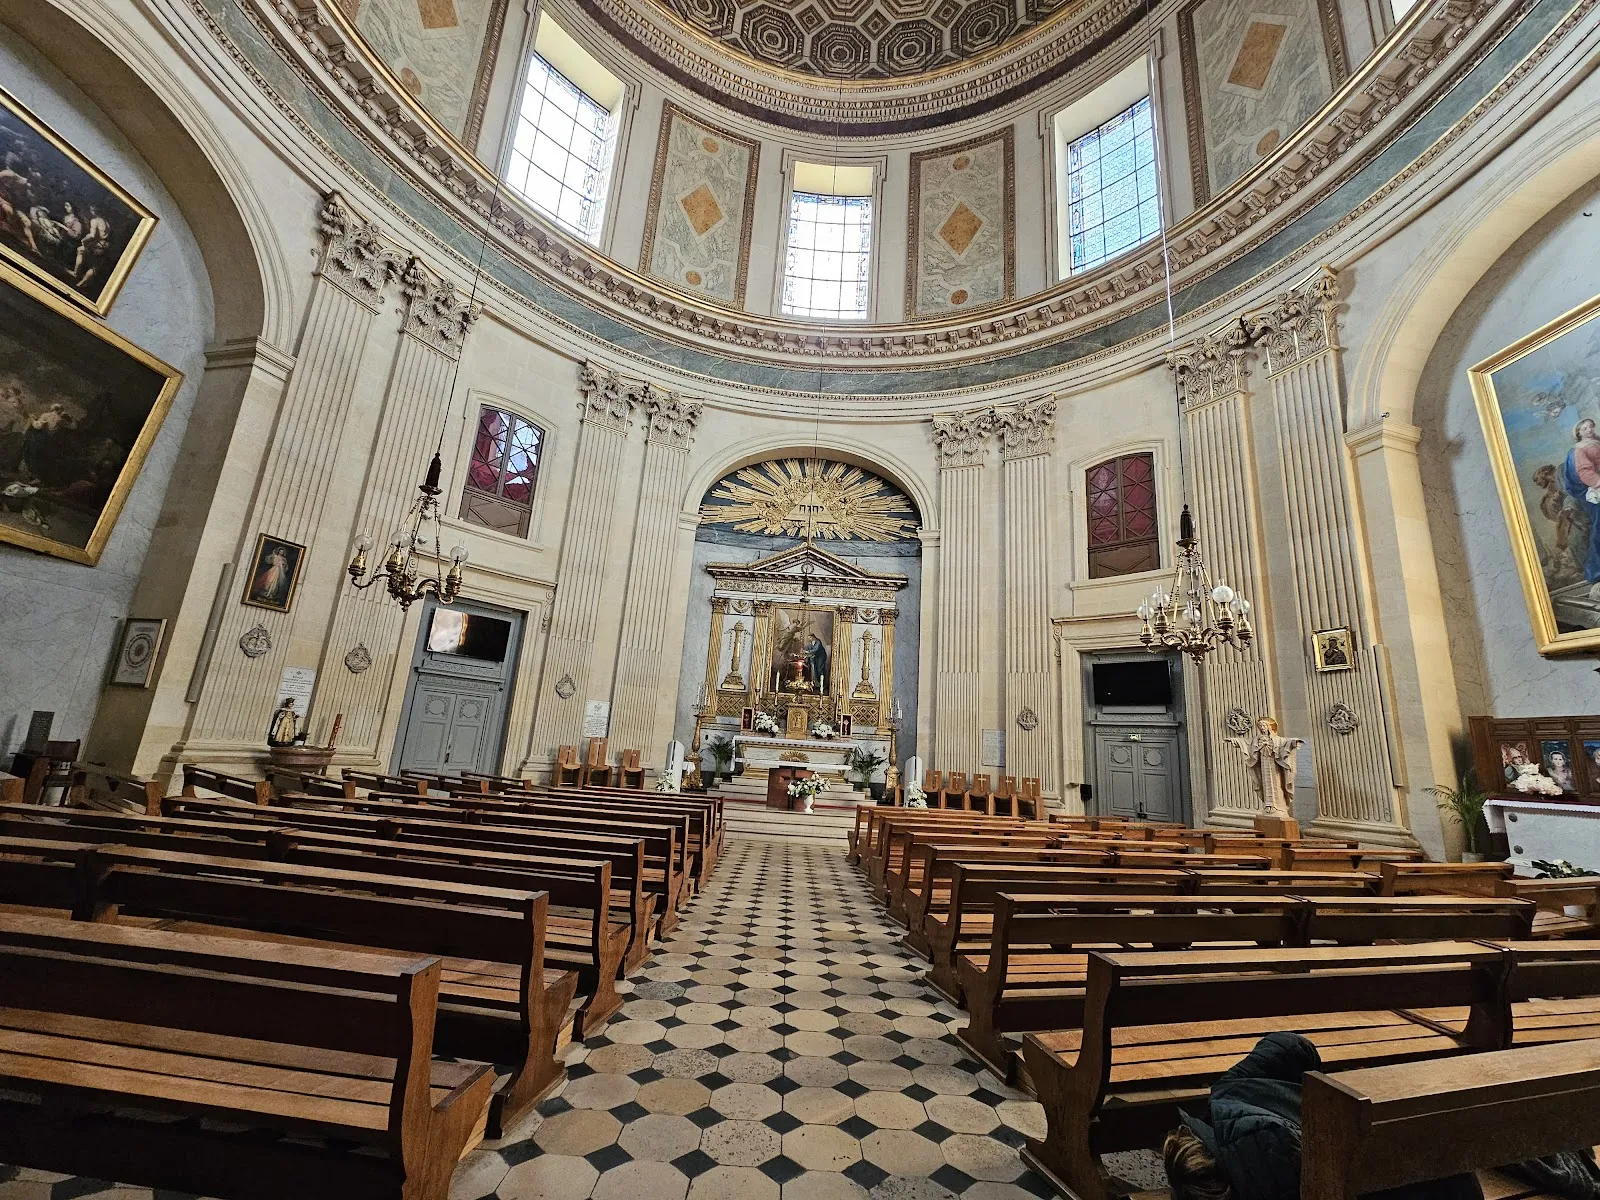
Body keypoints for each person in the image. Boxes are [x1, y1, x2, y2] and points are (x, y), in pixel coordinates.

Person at [1164, 1033, 1483, 1200]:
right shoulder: (1229, 1094)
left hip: (1443, 1177)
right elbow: (1293, 1046)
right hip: (1443, 1172)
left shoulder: (1266, 1182)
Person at [1561, 418, 1600, 601]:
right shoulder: (1578, 450)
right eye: (1584, 428)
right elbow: (1584, 471)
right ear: (1578, 433)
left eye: (1590, 426)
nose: (1589, 430)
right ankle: (1597, 571)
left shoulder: (1597, 441)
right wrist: (1598, 483)